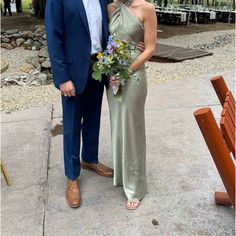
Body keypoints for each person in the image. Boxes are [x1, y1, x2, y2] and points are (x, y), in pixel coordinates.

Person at [45, 0, 114, 208]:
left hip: (98, 67)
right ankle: (72, 176)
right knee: (72, 125)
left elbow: (109, 32)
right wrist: (62, 77)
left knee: (93, 119)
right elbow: (54, 38)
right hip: (73, 73)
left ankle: (90, 159)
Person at [107, 0, 157, 210]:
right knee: (117, 126)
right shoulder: (111, 8)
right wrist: (110, 66)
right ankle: (121, 175)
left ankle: (135, 186)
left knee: (132, 129)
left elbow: (151, 48)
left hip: (134, 75)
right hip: (113, 75)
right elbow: (112, 41)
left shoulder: (147, 8)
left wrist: (127, 70)